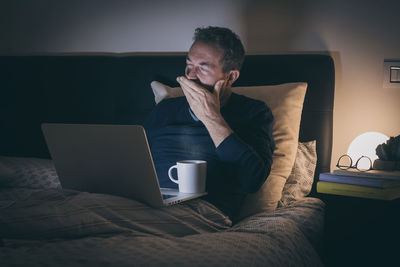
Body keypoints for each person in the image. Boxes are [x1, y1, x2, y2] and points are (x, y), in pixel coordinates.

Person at [143, 26, 275, 219]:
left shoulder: (253, 113)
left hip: (205, 212)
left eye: (202, 67)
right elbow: (130, 162)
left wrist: (210, 116)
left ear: (230, 76)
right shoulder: (166, 109)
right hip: (146, 205)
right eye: (188, 64)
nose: (190, 75)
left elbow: (252, 180)